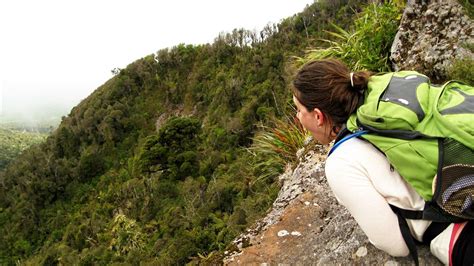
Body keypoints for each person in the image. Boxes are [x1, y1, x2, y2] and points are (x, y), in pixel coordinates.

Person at [291, 59, 472, 265]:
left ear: (317, 116)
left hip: (459, 228)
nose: (297, 117)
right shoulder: (386, 99)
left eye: (298, 109)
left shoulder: (341, 161)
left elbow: (395, 244)